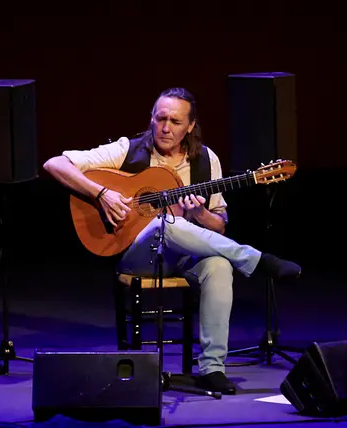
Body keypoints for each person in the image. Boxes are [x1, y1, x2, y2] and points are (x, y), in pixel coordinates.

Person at [42, 87, 302, 394]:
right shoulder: (128, 149)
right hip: (137, 255)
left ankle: (212, 369)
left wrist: (202, 214)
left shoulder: (206, 161)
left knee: (218, 265)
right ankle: (257, 260)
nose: (166, 127)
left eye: (175, 122)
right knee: (167, 223)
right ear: (151, 119)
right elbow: (54, 164)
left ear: (190, 126)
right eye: (160, 118)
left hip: (185, 258)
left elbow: (217, 229)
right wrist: (101, 193)